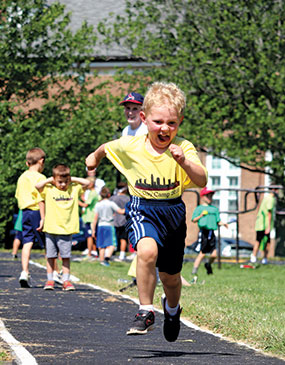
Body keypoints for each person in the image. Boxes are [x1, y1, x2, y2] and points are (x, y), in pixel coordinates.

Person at [86, 81, 207, 341]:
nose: (164, 128)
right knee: (147, 251)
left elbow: (202, 180)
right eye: (158, 121)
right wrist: (93, 159)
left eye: (171, 123)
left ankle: (172, 311)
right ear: (144, 118)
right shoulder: (132, 145)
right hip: (142, 207)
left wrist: (184, 161)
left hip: (173, 211)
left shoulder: (183, 148)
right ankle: (145, 310)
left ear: (180, 122)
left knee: (171, 278)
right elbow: (107, 148)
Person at [36, 164, 90, 291]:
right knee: (50, 256)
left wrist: (71, 179)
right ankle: (50, 279)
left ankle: (66, 280)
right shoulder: (49, 189)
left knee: (65, 256)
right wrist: (52, 179)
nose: (63, 185)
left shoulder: (73, 188)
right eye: (60, 182)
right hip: (50, 228)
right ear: (54, 180)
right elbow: (37, 186)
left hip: (67, 229)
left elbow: (87, 183)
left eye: (65, 182)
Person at [15, 147, 46, 287]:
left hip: (25, 212)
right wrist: (43, 217)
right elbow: (41, 199)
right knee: (48, 243)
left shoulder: (22, 177)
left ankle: (24, 272)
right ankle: (55, 272)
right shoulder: (41, 178)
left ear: (27, 163)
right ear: (41, 161)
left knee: (27, 241)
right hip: (37, 211)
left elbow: (18, 195)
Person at [191, 187, 228, 279]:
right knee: (202, 253)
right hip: (204, 232)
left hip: (212, 233)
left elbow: (217, 221)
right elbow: (194, 220)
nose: (210, 198)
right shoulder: (199, 208)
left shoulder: (214, 209)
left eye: (211, 196)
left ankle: (208, 264)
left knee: (214, 254)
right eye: (208, 196)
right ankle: (194, 270)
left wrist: (223, 223)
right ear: (203, 196)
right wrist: (201, 215)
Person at [91, 186, 125, 266]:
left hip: (100, 226)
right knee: (112, 245)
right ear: (109, 195)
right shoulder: (111, 204)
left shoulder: (98, 204)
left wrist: (93, 230)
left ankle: (101, 261)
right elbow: (120, 211)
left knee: (101, 245)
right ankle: (106, 258)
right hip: (109, 226)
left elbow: (95, 218)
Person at [251, 188, 278, 264]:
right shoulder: (271, 199)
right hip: (264, 224)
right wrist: (268, 227)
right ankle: (262, 257)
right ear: (273, 189)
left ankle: (255, 257)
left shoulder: (265, 198)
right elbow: (268, 213)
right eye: (277, 190)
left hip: (260, 223)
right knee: (264, 242)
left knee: (259, 241)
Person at [110, 182, 131, 261]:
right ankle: (122, 254)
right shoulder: (127, 198)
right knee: (123, 238)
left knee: (113, 237)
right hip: (124, 220)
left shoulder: (113, 198)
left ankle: (110, 252)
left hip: (113, 220)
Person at [80, 177, 99, 259]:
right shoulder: (93, 193)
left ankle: (89, 253)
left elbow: (86, 204)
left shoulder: (92, 193)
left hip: (90, 217)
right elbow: (85, 200)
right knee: (92, 235)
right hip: (90, 217)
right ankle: (94, 251)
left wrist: (74, 200)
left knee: (89, 236)